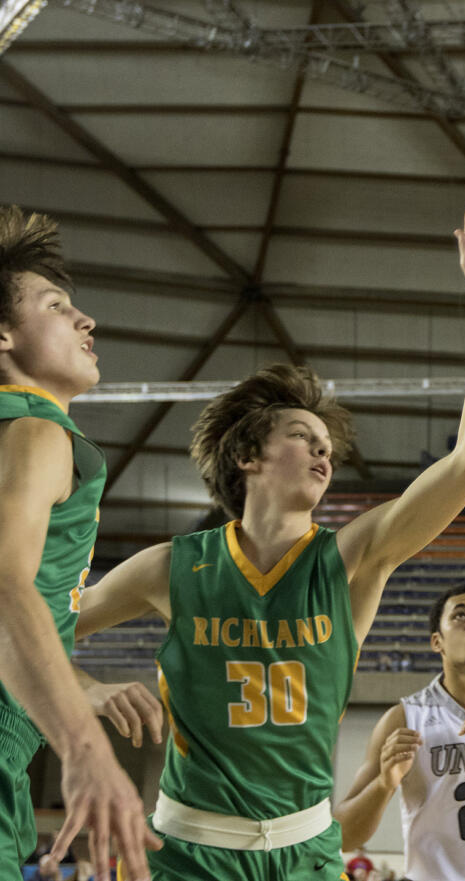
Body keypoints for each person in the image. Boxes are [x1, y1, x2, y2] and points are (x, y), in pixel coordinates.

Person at [71, 198, 465, 880]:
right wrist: (87, 690)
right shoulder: (170, 566)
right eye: (302, 438)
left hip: (309, 846)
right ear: (248, 454)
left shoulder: (350, 556)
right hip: (189, 849)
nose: (323, 455)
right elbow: (26, 633)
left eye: (326, 447)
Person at [0, 205, 159, 879]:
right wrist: (86, 747)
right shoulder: (36, 431)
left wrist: (78, 681)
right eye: (58, 305)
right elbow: (6, 586)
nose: (85, 319)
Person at [334, 584, 465, 881]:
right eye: (461, 616)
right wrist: (384, 784)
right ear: (437, 642)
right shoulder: (404, 719)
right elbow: (343, 836)